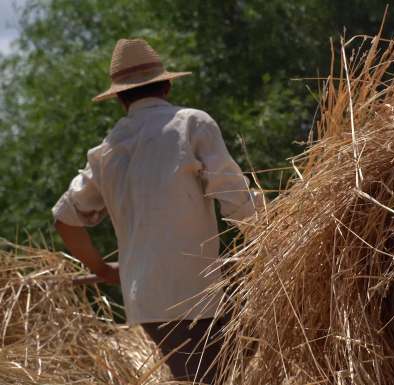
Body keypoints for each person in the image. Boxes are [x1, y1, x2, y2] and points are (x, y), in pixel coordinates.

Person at [52, 38, 261, 384]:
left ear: (120, 98)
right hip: (198, 293)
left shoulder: (106, 151)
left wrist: (101, 268)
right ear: (166, 85)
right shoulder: (192, 123)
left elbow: (65, 219)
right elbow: (236, 200)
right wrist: (279, 241)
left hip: (147, 302)